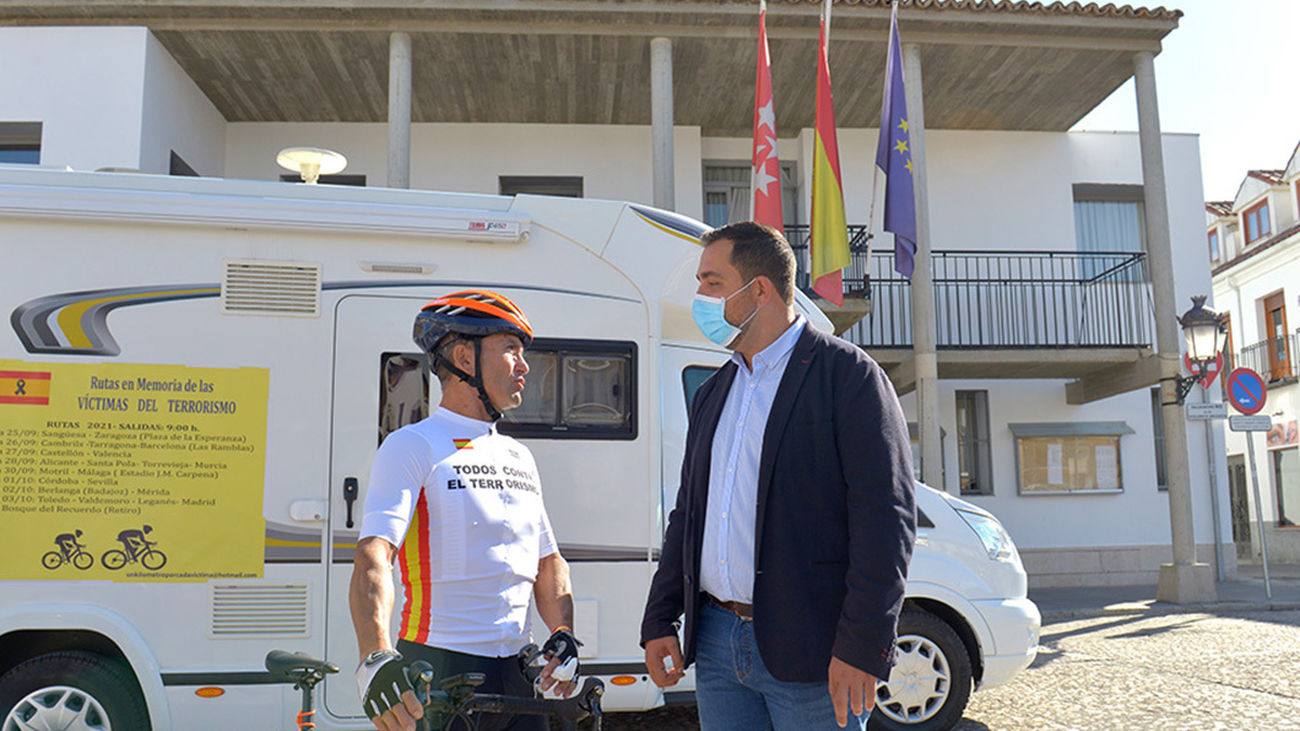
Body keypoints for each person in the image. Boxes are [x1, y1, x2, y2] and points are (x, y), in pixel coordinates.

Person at [640, 222, 917, 731]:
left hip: (814, 650)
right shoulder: (714, 391)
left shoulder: (848, 377)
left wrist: (862, 646)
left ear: (761, 290)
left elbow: (886, 520)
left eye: (712, 283)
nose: (700, 297)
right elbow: (690, 513)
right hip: (717, 645)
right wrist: (659, 617)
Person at [350, 290, 583, 731]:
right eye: (510, 349)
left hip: (519, 673)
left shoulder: (519, 455)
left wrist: (562, 632)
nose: (524, 366)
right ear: (464, 357)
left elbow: (548, 561)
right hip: (439, 672)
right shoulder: (413, 445)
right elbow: (373, 557)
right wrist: (375, 655)